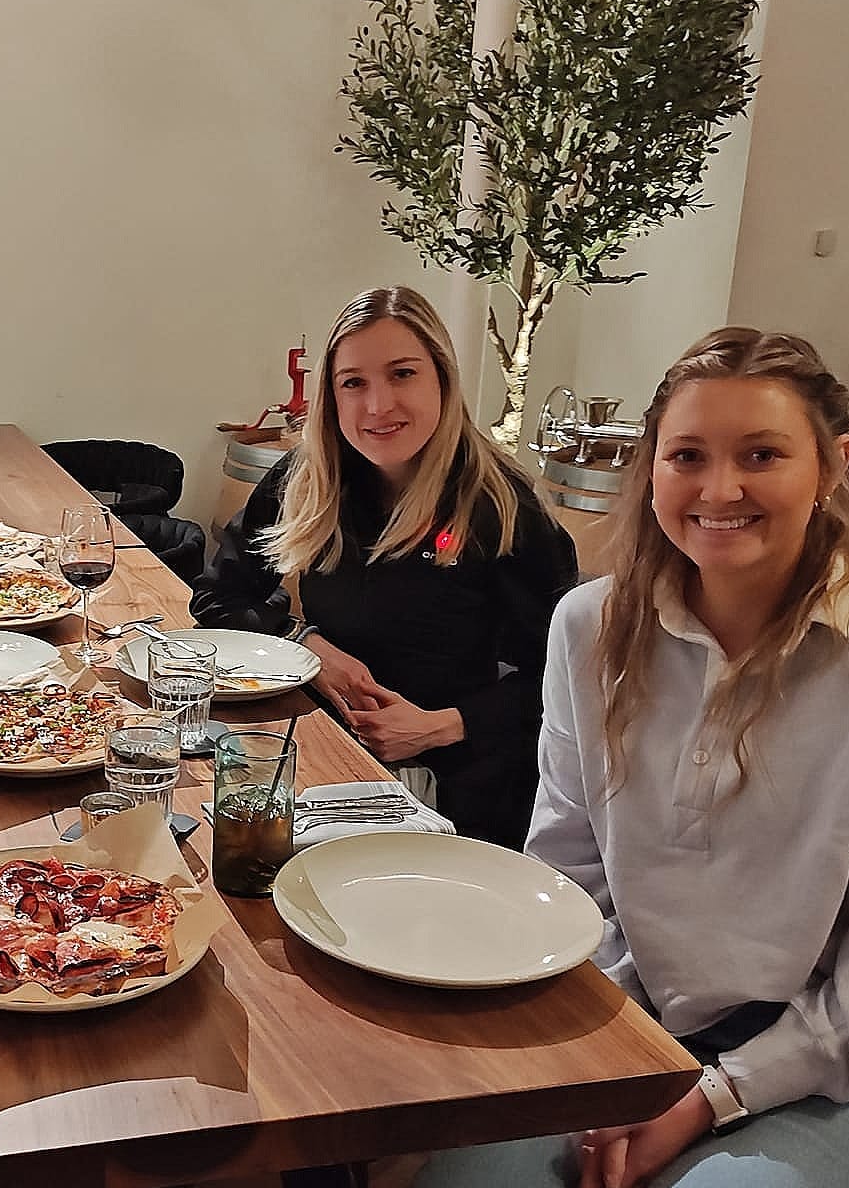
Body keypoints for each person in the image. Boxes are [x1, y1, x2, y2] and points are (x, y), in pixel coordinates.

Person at [355, 328, 849, 1188]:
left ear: (832, 467)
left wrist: (706, 1101)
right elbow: (568, 881)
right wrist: (614, 1062)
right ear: (649, 468)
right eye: (686, 456)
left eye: (761, 454)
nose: (719, 487)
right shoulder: (590, 629)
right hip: (630, 1032)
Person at [193, 285, 578, 850]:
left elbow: (570, 678)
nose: (378, 406)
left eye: (402, 374)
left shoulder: (503, 507)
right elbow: (217, 599)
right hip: (328, 760)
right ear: (332, 395)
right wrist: (307, 647)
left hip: (465, 790)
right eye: (354, 383)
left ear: (442, 378)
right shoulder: (307, 478)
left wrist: (443, 724)